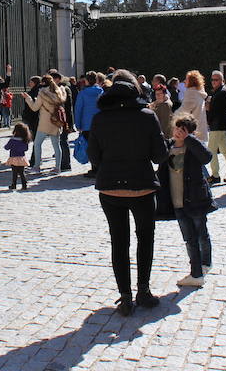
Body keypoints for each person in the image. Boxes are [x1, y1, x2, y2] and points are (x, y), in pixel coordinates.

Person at [88, 70, 168, 316]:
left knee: (118, 241)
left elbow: (94, 157)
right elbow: (159, 155)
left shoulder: (100, 119)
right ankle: (143, 289)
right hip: (142, 186)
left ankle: (124, 296)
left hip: (111, 188)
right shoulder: (147, 116)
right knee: (145, 238)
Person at [156, 113, 215, 288]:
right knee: (190, 239)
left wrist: (190, 140)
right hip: (176, 201)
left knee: (201, 234)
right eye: (177, 128)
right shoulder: (168, 147)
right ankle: (196, 272)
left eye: (183, 130)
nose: (178, 132)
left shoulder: (193, 148)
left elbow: (207, 157)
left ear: (189, 133)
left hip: (195, 200)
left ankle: (204, 265)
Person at [21, 75, 66, 173]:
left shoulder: (42, 93)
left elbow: (34, 107)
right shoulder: (58, 92)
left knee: (37, 144)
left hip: (45, 122)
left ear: (43, 83)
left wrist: (28, 98)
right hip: (56, 121)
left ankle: (37, 166)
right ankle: (57, 168)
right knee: (56, 145)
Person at [206, 71, 226, 185]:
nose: (213, 82)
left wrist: (208, 109)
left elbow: (215, 111)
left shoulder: (221, 93)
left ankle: (215, 175)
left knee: (211, 151)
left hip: (217, 126)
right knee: (225, 150)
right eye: (212, 80)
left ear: (222, 80)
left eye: (216, 80)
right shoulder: (220, 92)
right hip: (220, 125)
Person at [74, 71, 103, 178]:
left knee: (90, 147)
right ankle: (99, 167)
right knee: (99, 146)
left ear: (86, 80)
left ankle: (94, 168)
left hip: (87, 124)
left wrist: (78, 124)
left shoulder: (83, 93)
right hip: (100, 123)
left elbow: (78, 109)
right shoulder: (101, 91)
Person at [50, 70, 75, 171]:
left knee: (63, 141)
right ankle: (62, 163)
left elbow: (68, 107)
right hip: (59, 119)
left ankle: (65, 164)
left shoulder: (64, 89)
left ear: (57, 79)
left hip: (64, 119)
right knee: (60, 141)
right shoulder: (55, 89)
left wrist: (69, 123)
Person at [179, 70, 209, 142]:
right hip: (200, 128)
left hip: (193, 130)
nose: (184, 81)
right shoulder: (199, 92)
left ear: (191, 81)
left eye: (186, 79)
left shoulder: (191, 93)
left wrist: (172, 115)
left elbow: (183, 111)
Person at [21, 76, 41, 167]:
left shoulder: (35, 92)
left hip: (32, 119)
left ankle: (33, 160)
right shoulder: (38, 91)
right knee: (35, 141)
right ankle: (34, 159)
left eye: (31, 82)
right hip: (34, 119)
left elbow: (32, 107)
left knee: (32, 140)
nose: (29, 83)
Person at [5, 122, 31, 190]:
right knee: (22, 172)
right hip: (21, 158)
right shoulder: (24, 140)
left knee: (14, 173)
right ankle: (24, 184)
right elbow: (26, 149)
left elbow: (7, 147)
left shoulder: (12, 140)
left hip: (13, 157)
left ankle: (14, 185)